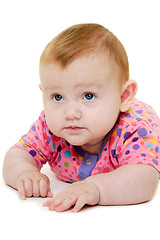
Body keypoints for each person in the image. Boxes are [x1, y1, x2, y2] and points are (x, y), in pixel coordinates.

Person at [3, 23, 160, 213]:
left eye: (88, 96)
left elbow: (144, 179)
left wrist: (96, 188)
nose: (70, 113)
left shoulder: (135, 129)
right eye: (57, 97)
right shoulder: (49, 129)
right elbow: (17, 154)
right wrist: (25, 173)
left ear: (123, 96)